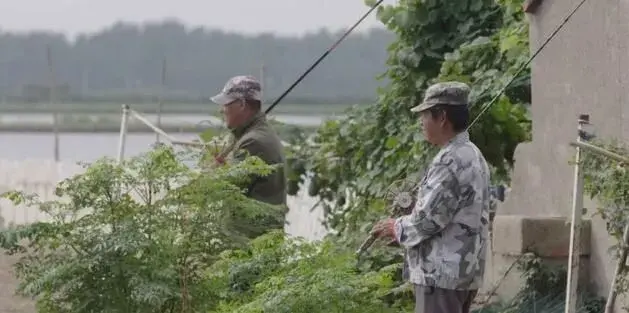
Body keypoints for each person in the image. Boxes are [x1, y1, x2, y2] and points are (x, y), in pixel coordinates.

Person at [371, 81, 491, 313]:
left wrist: (394, 227)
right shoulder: (473, 154)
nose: (421, 123)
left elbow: (427, 221)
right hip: (464, 274)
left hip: (440, 278)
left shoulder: (449, 160)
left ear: (442, 117)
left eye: (425, 115)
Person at [210, 75, 287, 235]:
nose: (222, 109)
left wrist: (213, 173)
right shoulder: (259, 134)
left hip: (250, 244)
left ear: (242, 104)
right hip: (259, 242)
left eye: (226, 104)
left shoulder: (252, 142)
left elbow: (225, 190)